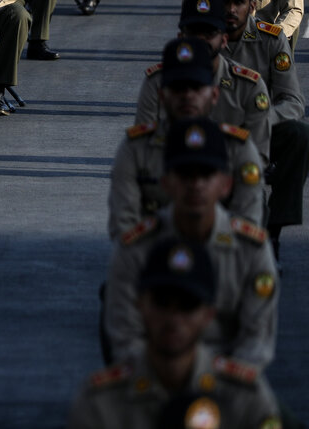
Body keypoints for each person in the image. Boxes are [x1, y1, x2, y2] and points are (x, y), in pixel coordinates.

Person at [104, 117, 279, 370]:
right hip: (153, 377)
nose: (196, 184)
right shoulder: (137, 245)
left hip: (228, 380)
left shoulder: (252, 248)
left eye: (206, 174)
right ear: (165, 183)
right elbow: (126, 336)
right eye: (185, 174)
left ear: (226, 184)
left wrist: (210, 381)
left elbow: (256, 341)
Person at [69, 238, 281, 429]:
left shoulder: (247, 398)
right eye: (162, 303)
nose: (174, 319)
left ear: (208, 315)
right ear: (140, 306)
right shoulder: (98, 403)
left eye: (188, 306)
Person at [112, 36, 265, 238]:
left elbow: (248, 228)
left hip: (224, 251)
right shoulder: (135, 148)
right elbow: (124, 228)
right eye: (178, 87)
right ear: (162, 96)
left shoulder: (238, 148)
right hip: (153, 250)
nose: (187, 95)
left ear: (214, 95)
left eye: (196, 87)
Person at [212, 0, 309, 256]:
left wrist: (261, 120)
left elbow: (293, 102)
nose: (230, 9)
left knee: (299, 135)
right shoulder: (199, 39)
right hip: (212, 133)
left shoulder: (271, 39)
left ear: (252, 6)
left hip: (261, 131)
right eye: (223, 1)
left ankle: (272, 233)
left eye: (238, 2)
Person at [136, 8, 273, 170]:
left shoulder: (250, 84)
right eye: (193, 33)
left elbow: (255, 159)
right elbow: (141, 149)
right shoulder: (157, 81)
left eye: (209, 33)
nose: (200, 40)